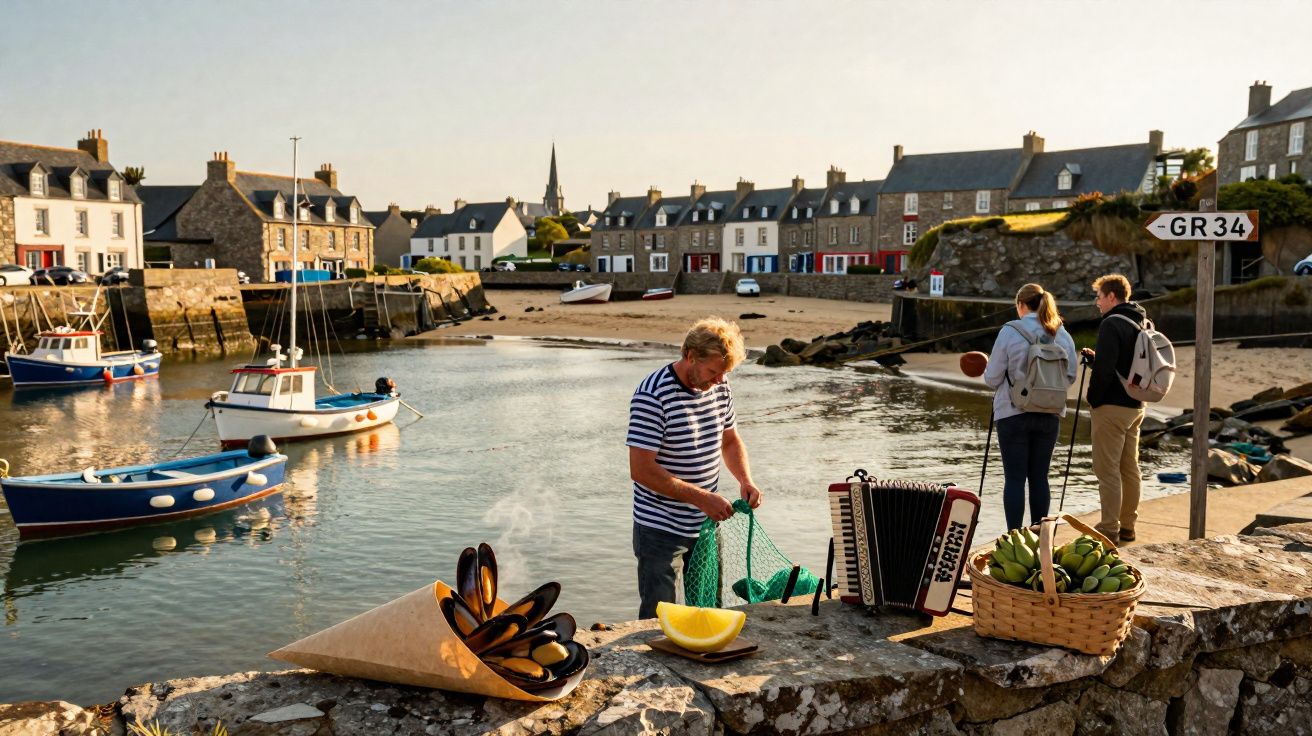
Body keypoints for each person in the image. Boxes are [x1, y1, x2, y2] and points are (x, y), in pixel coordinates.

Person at [627, 317, 763, 619]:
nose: (718, 380)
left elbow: (730, 441)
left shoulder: (720, 384)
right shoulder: (652, 396)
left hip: (704, 525)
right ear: (690, 355)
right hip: (659, 528)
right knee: (661, 618)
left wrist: (745, 479)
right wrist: (702, 498)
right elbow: (642, 470)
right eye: (713, 371)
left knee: (708, 611)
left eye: (723, 373)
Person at [983, 284, 1078, 530]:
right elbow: (1070, 376)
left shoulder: (1010, 330)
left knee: (1015, 479)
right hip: (1050, 414)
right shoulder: (1061, 333)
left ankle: (1014, 540)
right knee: (1039, 478)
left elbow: (992, 378)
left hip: (1013, 412)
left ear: (1021, 305)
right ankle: (1040, 538)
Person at [1080, 274, 1147, 542]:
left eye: (1099, 296)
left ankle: (1109, 529)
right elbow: (1123, 361)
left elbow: (1106, 371)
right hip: (1136, 404)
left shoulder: (1111, 324)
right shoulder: (1140, 319)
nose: (1097, 302)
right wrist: (1098, 360)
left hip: (1112, 406)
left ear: (1111, 296)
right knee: (1130, 468)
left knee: (1106, 470)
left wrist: (1093, 399)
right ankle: (1128, 525)